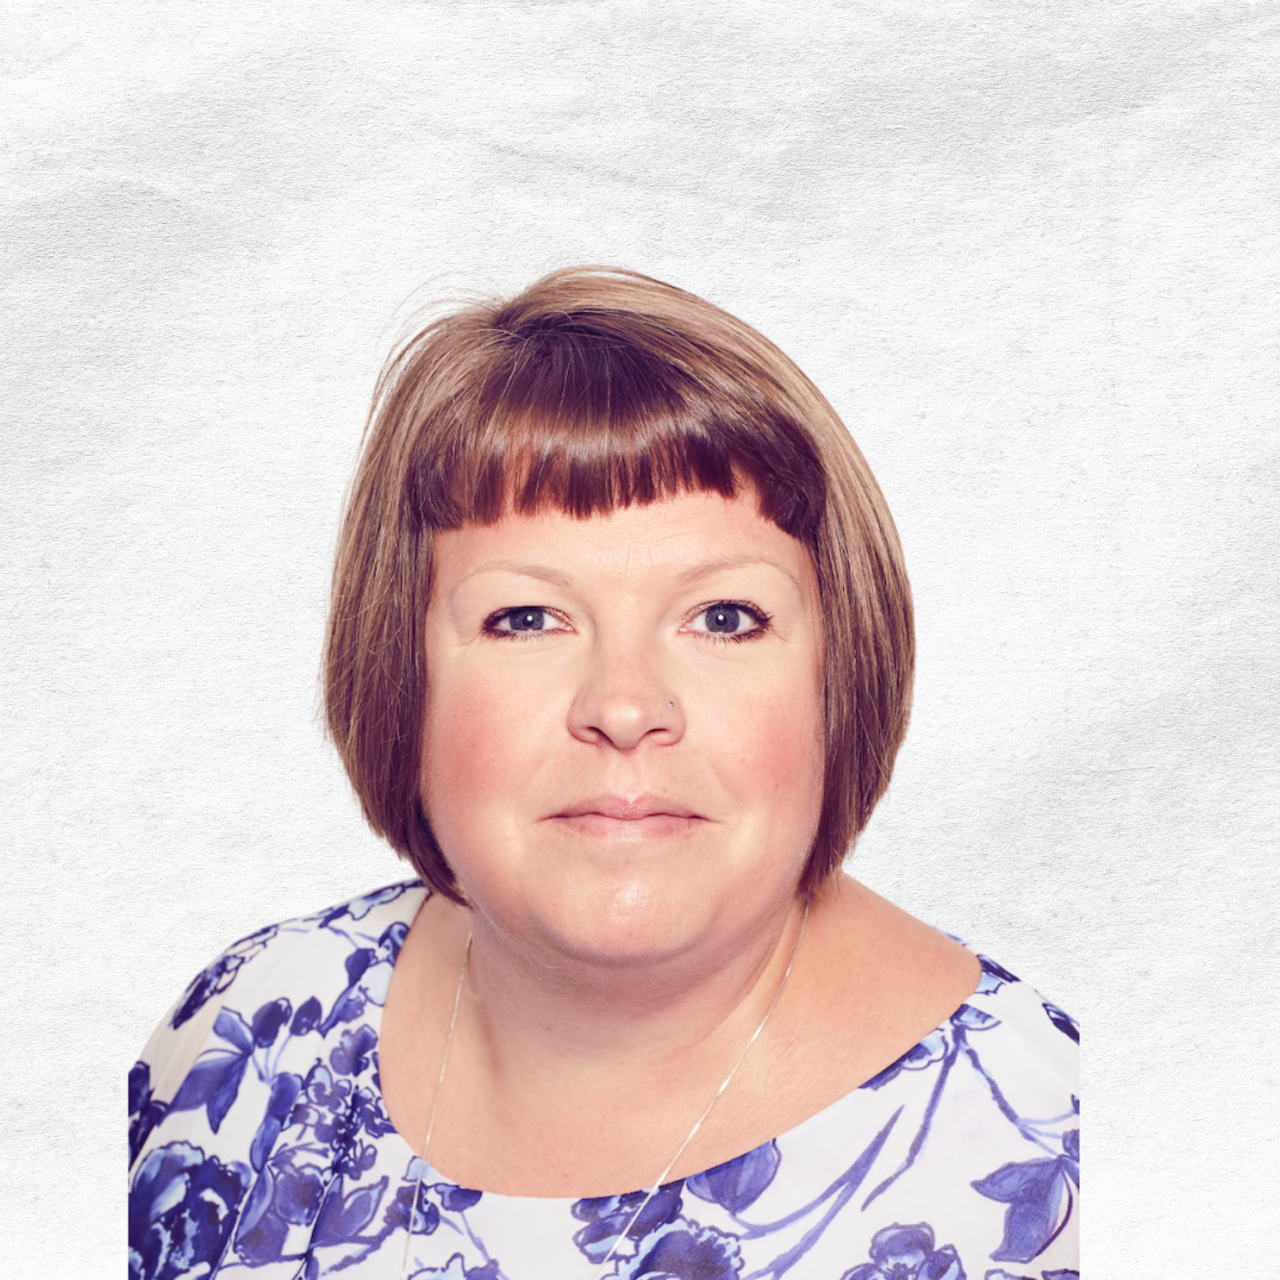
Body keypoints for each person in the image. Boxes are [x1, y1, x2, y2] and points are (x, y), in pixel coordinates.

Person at [128, 267, 1079, 1280]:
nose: (623, 706)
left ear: (837, 673)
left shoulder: (1055, 1143)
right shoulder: (252, 1028)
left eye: (722, 616)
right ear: (400, 670)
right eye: (526, 617)